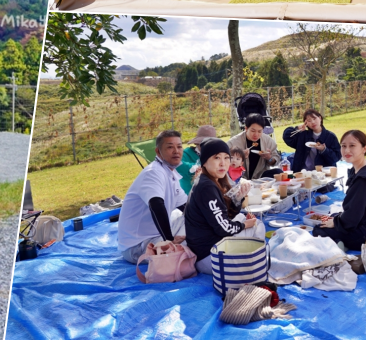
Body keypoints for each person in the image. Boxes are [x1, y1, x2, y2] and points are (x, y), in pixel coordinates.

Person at [185, 138, 259, 275]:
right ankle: (252, 265)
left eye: (226, 158)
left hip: (209, 249)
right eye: (216, 158)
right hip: (210, 256)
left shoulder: (210, 180)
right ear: (205, 162)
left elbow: (224, 215)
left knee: (241, 216)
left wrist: (237, 199)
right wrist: (245, 225)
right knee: (258, 226)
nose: (223, 163)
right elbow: (223, 228)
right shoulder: (206, 187)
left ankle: (248, 262)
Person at [115, 130, 190, 264]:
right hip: (137, 245)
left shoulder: (170, 173)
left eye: (179, 146)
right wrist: (169, 240)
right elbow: (156, 205)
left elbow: (187, 208)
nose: (176, 151)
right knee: (193, 249)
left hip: (154, 235)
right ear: (158, 152)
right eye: (170, 147)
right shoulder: (153, 173)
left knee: (196, 228)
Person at [312, 130, 366, 250]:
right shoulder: (365, 168)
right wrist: (336, 219)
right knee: (332, 216)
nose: (347, 150)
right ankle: (340, 241)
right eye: (343, 146)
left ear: (365, 148)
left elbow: (353, 217)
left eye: (352, 146)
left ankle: (341, 244)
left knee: (318, 229)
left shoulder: (362, 179)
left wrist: (336, 223)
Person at [282, 109, 341, 173]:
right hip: (303, 172)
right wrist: (297, 128)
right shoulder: (303, 135)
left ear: (320, 118)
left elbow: (336, 157)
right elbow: (287, 137)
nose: (313, 122)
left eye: (314, 118)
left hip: (322, 174)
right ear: (306, 123)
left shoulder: (330, 136)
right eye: (309, 121)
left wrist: (324, 150)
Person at [228, 114, 281, 180]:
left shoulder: (268, 141)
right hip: (240, 177)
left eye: (259, 131)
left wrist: (269, 158)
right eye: (253, 131)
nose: (256, 134)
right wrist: (240, 157)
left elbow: (275, 161)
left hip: (261, 176)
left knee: (278, 172)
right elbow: (225, 164)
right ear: (246, 128)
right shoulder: (233, 142)